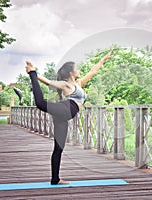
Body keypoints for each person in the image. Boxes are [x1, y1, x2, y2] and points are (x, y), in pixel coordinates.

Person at [25, 51, 112, 185]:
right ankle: (31, 73)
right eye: (76, 69)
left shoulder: (79, 83)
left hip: (64, 116)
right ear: (71, 72)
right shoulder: (66, 85)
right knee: (40, 103)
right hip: (66, 109)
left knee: (59, 148)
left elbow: (93, 71)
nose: (79, 70)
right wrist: (33, 72)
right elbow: (47, 81)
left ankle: (55, 179)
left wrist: (103, 59)